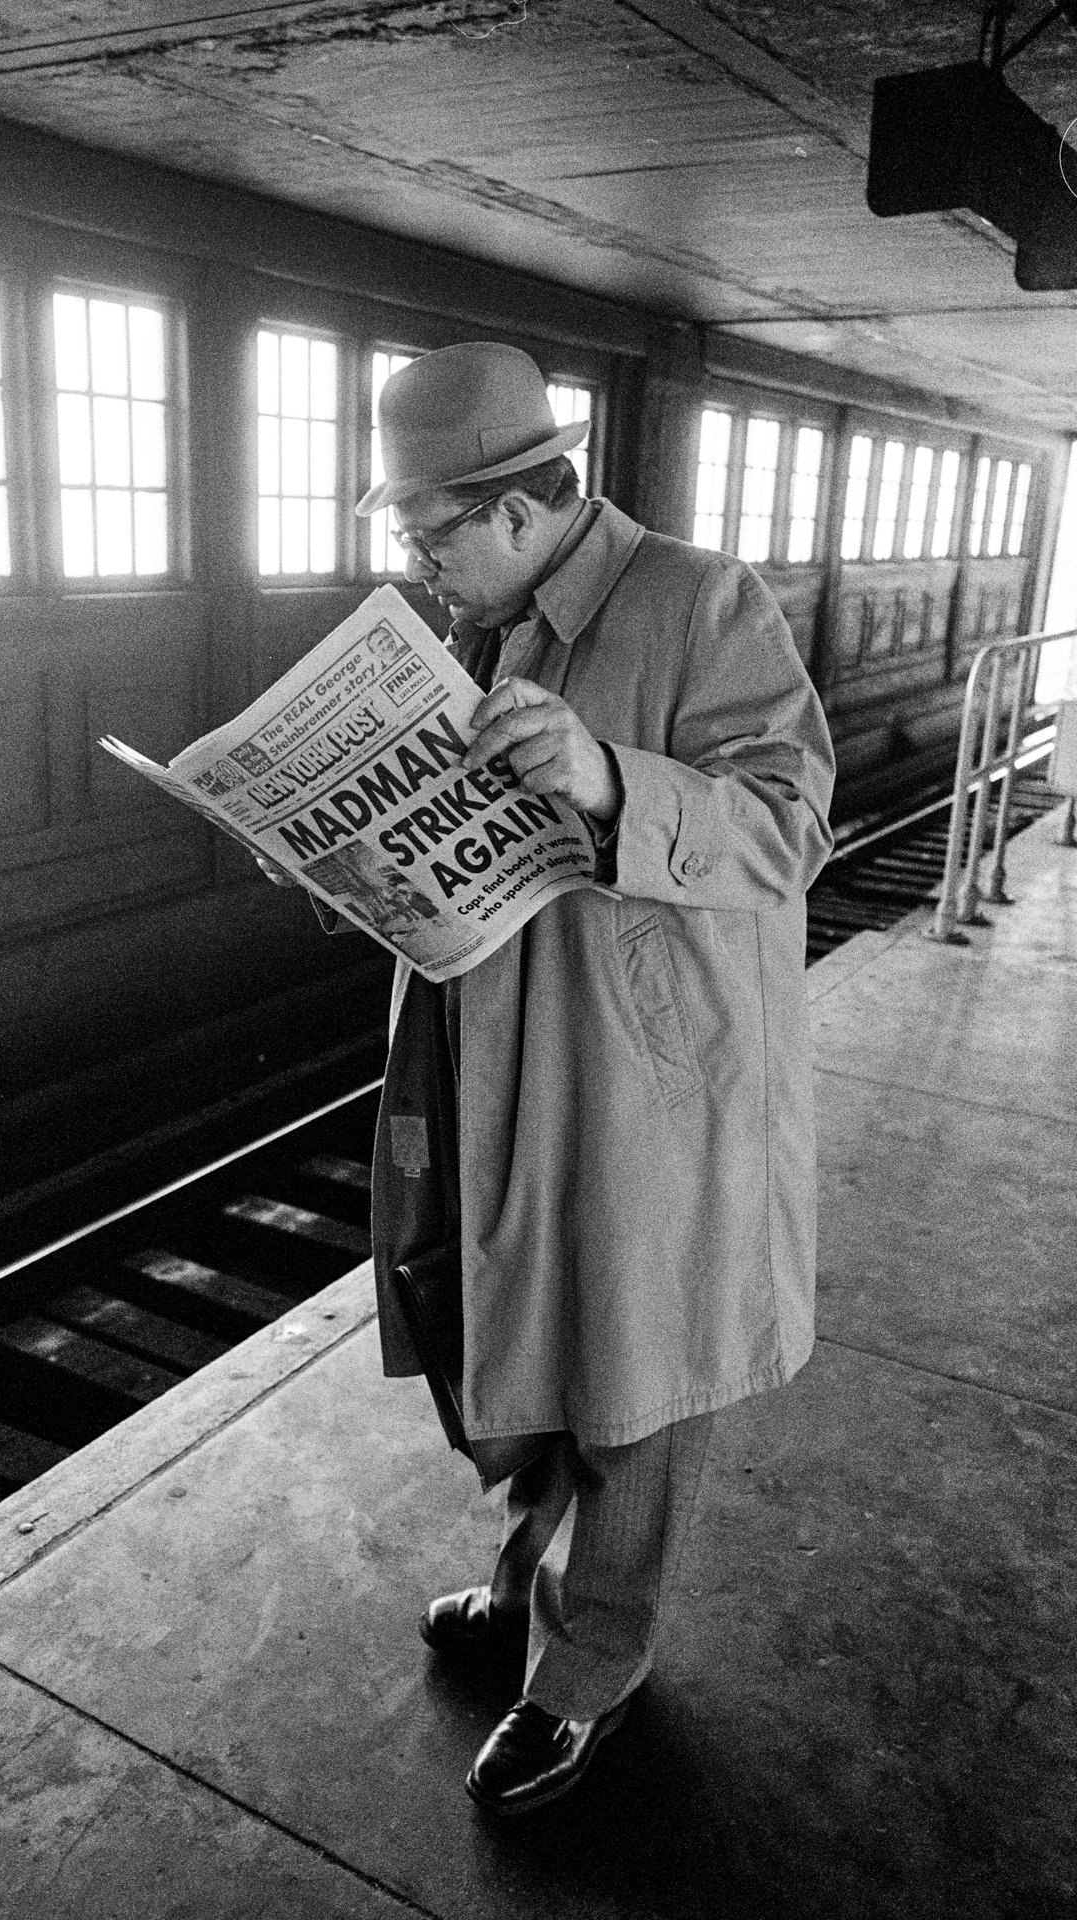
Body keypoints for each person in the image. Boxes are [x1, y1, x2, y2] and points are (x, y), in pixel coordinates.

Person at [265, 340, 835, 1816]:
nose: (416, 560)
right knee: (525, 1343)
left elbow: (787, 830)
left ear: (527, 501)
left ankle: (589, 1678)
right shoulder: (478, 623)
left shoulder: (702, 603)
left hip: (649, 1083)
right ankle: (524, 1582)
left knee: (634, 1382)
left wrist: (608, 780)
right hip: (499, 1054)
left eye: (431, 531)